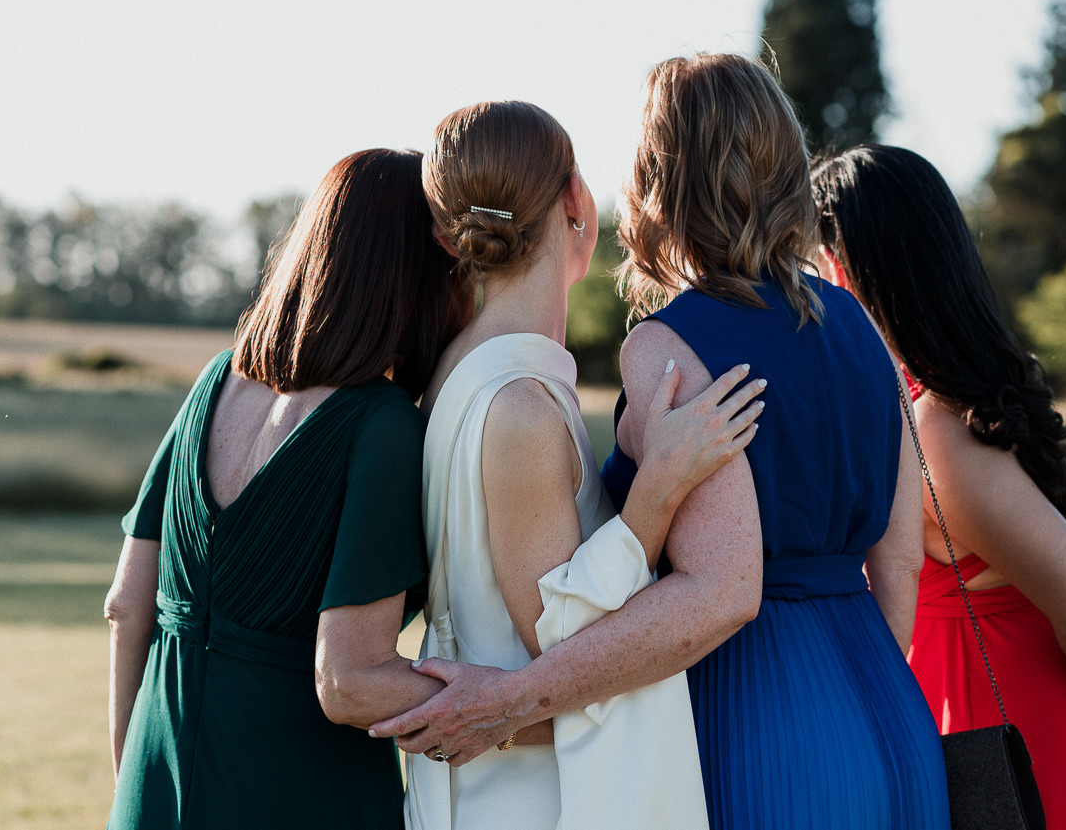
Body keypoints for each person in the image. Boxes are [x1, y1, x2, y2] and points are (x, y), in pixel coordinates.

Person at [376, 56, 950, 829]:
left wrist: (507, 701)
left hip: (752, 716)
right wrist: (857, 684)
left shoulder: (672, 345)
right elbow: (902, 558)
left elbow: (724, 589)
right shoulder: (861, 329)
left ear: (658, 180)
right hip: (891, 709)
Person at [401, 99, 765, 830]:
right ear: (577, 200)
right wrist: (656, 490)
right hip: (534, 797)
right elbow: (564, 646)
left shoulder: (467, 371)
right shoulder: (519, 405)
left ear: (448, 233)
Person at [810, 143, 1066, 829]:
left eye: (809, 267)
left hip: (1024, 764)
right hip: (985, 749)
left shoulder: (940, 433)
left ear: (843, 268)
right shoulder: (928, 407)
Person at [103, 149, 475, 829]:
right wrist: (522, 697)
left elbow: (129, 605)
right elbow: (354, 677)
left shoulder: (214, 383)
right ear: (420, 273)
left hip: (153, 780)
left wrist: (138, 778)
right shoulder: (382, 424)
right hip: (301, 789)